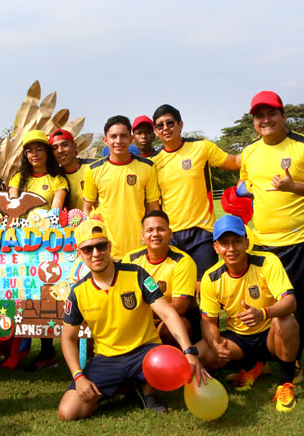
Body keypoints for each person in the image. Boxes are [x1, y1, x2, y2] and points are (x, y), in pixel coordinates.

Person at [57, 219, 208, 420]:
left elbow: (167, 313)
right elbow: (68, 338)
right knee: (68, 412)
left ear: (109, 247)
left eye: (101, 246)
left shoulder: (137, 274)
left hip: (145, 352)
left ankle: (147, 392)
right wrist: (79, 377)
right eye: (88, 249)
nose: (96, 253)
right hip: (107, 359)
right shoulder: (77, 293)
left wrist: (188, 351)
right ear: (79, 253)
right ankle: (125, 385)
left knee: (176, 367)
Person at [239, 91, 304, 383]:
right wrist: (238, 193)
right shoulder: (250, 152)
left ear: (283, 116)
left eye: (271, 114)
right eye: (259, 116)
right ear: (254, 121)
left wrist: (295, 187)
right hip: (262, 240)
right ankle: (274, 355)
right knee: (266, 300)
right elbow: (246, 183)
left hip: (299, 239)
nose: (265, 120)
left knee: (295, 302)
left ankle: (293, 362)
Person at [195, 215, 300, 412]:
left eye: (236, 241)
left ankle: (285, 384)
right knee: (198, 356)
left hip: (270, 335)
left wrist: (264, 312)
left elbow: (290, 302)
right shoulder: (211, 278)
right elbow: (208, 322)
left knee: (286, 322)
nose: (231, 248)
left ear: (247, 242)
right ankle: (253, 366)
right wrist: (215, 345)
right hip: (238, 339)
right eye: (224, 243)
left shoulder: (267, 262)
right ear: (216, 247)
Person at [150, 104, 240, 292]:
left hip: (202, 231)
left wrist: (259, 149)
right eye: (160, 125)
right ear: (155, 131)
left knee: (205, 288)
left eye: (170, 123)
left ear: (180, 124)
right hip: (172, 234)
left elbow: (234, 162)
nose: (165, 128)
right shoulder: (153, 162)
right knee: (179, 291)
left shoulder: (201, 147)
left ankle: (207, 321)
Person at [8, 130, 68, 370]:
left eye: (39, 149)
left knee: (47, 294)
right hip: (22, 246)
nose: (34, 154)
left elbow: (57, 204)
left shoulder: (57, 179)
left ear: (47, 152)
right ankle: (21, 349)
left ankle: (47, 350)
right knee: (25, 294)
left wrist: (48, 217)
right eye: (29, 150)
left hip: (49, 246)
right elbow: (14, 203)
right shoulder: (17, 179)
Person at [83, 115, 161, 260]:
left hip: (139, 248)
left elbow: (154, 208)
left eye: (123, 136)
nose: (118, 141)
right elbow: (87, 208)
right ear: (105, 140)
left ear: (131, 139)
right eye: (113, 136)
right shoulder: (93, 170)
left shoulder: (147, 167)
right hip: (106, 249)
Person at [123, 210, 198, 345]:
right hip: (141, 322)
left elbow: (179, 308)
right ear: (142, 235)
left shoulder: (183, 262)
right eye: (150, 230)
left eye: (161, 229)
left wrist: (137, 311)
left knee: (179, 324)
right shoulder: (130, 259)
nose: (155, 234)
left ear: (170, 233)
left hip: (169, 322)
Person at [49, 128, 94, 211]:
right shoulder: (54, 177)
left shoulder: (94, 167)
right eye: (55, 148)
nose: (60, 150)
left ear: (74, 147)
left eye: (65, 145)